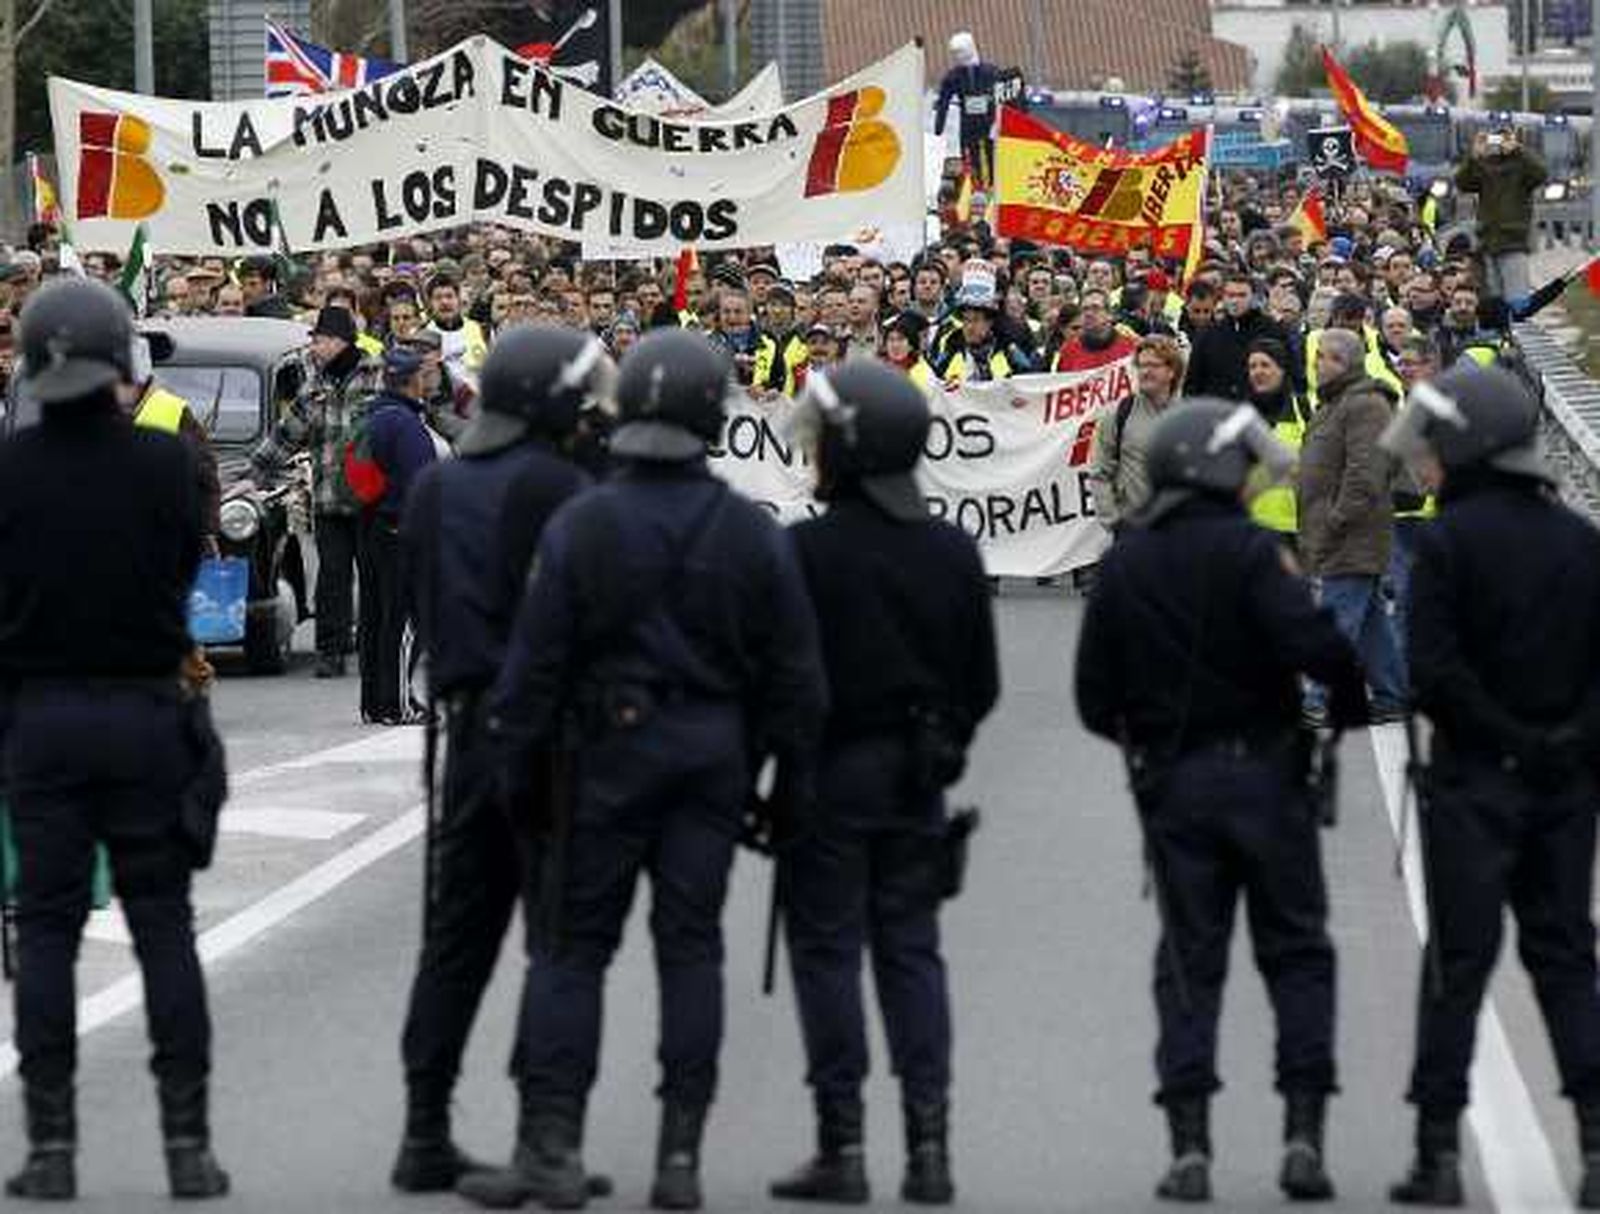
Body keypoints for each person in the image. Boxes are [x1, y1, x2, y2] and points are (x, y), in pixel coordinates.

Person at [484, 329, 827, 1210]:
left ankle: (552, 1145)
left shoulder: (582, 523)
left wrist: (516, 776)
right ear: (716, 417)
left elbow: (533, 669)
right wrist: (784, 788)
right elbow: (796, 681)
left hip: (597, 758)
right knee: (692, 949)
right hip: (712, 758)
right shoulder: (753, 534)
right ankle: (681, 1157)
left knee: (571, 951)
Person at [1075, 399, 1368, 1205]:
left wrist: (1150, 746)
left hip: (1175, 783)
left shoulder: (1129, 562)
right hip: (1270, 777)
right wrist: (1333, 724)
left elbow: (1093, 695)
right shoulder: (1251, 555)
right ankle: (1304, 1135)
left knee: (1187, 962)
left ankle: (1189, 1146)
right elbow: (1323, 652)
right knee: (1298, 954)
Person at [0, 278, 230, 1200]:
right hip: (146, 713)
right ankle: (187, 1146)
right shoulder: (164, 464)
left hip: (39, 723)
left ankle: (52, 1148)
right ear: (122, 365)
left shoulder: (7, 468)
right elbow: (182, 570)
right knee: (163, 928)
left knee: (47, 933)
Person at [770, 362, 999, 1207]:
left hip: (826, 775)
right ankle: (929, 1148)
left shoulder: (803, 550)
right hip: (918, 778)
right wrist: (939, 743)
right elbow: (981, 682)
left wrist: (775, 766)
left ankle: (844, 1144)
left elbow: (775, 675)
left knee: (828, 953)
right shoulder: (950, 548)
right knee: (912, 954)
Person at [393, 326, 610, 1199]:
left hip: (463, 730)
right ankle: (547, 1140)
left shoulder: (439, 485)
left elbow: (415, 600)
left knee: (455, 938)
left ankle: (424, 1130)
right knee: (561, 941)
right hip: (552, 731)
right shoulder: (563, 485)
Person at [1380, 364, 1600, 1209]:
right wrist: (1562, 747)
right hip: (1565, 789)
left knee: (1458, 968)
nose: (1426, 464)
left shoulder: (1444, 544)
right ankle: (1595, 1146)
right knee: (1567, 962)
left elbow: (1432, 674)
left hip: (1474, 783)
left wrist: (1506, 743)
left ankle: (1436, 1155)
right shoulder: (1582, 543)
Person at [1297, 327, 1406, 724]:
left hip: (1352, 531)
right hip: (1339, 530)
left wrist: (1336, 519)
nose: (1316, 365)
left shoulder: (1365, 406)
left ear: (1343, 362)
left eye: (1322, 358)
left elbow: (1366, 473)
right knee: (1371, 619)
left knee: (1335, 618)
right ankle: (1394, 694)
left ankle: (1318, 698)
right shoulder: (1334, 403)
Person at [269, 306, 381, 679]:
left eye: (318, 340)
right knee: (332, 578)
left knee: (374, 575)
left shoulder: (378, 377)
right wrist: (252, 475)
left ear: (338, 341)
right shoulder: (315, 383)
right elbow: (287, 433)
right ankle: (331, 651)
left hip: (371, 499)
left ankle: (374, 646)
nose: (313, 347)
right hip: (329, 497)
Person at [352, 347, 438, 725]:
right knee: (405, 620)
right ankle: (399, 702)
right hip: (401, 528)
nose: (429, 378)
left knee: (376, 617)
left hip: (371, 525)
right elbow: (421, 486)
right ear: (411, 379)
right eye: (424, 373)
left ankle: (374, 701)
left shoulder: (371, 416)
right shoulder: (405, 425)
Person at [125, 336, 222, 557]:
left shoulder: (173, 410)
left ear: (141, 379)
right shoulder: (96, 412)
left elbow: (204, 475)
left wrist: (207, 530)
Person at [1086, 334, 1184, 535]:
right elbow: (1099, 473)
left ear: (1171, 371)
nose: (1145, 371)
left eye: (1153, 365)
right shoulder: (1118, 415)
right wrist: (1115, 524)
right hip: (1135, 532)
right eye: (1141, 365)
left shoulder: (1189, 416)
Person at [1454, 127, 1546, 303]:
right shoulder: (1484, 165)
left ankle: (1516, 327)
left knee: (1516, 298)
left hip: (1513, 242)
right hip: (1487, 242)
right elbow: (1462, 183)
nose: (1499, 144)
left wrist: (1518, 150)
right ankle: (1499, 328)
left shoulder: (1522, 165)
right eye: (1495, 139)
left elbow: (1541, 174)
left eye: (1504, 139)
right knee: (1493, 299)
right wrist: (1474, 156)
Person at [1183, 272, 1290, 402]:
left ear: (1253, 297)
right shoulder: (1208, 335)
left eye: (1242, 295)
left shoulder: (1272, 330)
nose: (1235, 300)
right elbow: (1193, 382)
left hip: (1260, 412)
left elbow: (1286, 374)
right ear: (1223, 298)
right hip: (1216, 413)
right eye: (1231, 295)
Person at [1244, 337, 1309, 542]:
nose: (1258, 371)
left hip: (1295, 531)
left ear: (1282, 370)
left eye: (1265, 365)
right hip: (1248, 529)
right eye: (1252, 366)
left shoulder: (1303, 409)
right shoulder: (1239, 415)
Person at [934, 33, 1000, 188]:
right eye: (955, 53)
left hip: (988, 123)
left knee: (991, 155)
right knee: (970, 157)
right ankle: (974, 186)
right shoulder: (953, 77)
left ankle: (992, 185)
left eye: (961, 51)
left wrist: (999, 123)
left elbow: (1004, 99)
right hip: (968, 125)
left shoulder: (991, 73)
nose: (958, 56)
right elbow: (943, 101)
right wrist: (939, 127)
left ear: (971, 48)